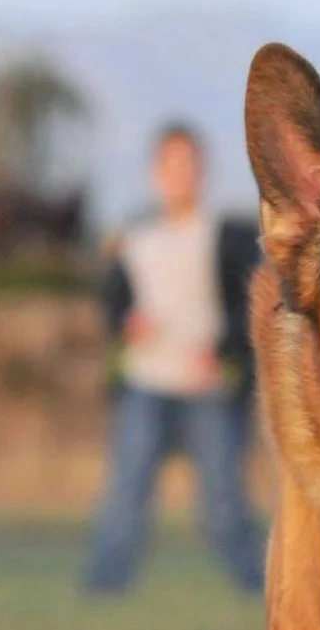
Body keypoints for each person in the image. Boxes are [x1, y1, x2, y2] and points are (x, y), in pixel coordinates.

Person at [83, 122, 264, 594]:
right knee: (126, 496)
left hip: (209, 388)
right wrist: (126, 323)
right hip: (146, 384)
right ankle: (102, 589)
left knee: (224, 504)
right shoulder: (134, 237)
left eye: (189, 164)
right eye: (171, 164)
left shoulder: (227, 233)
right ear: (156, 173)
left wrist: (225, 352)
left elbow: (252, 303)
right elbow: (113, 304)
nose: (180, 174)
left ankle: (262, 588)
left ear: (200, 171)